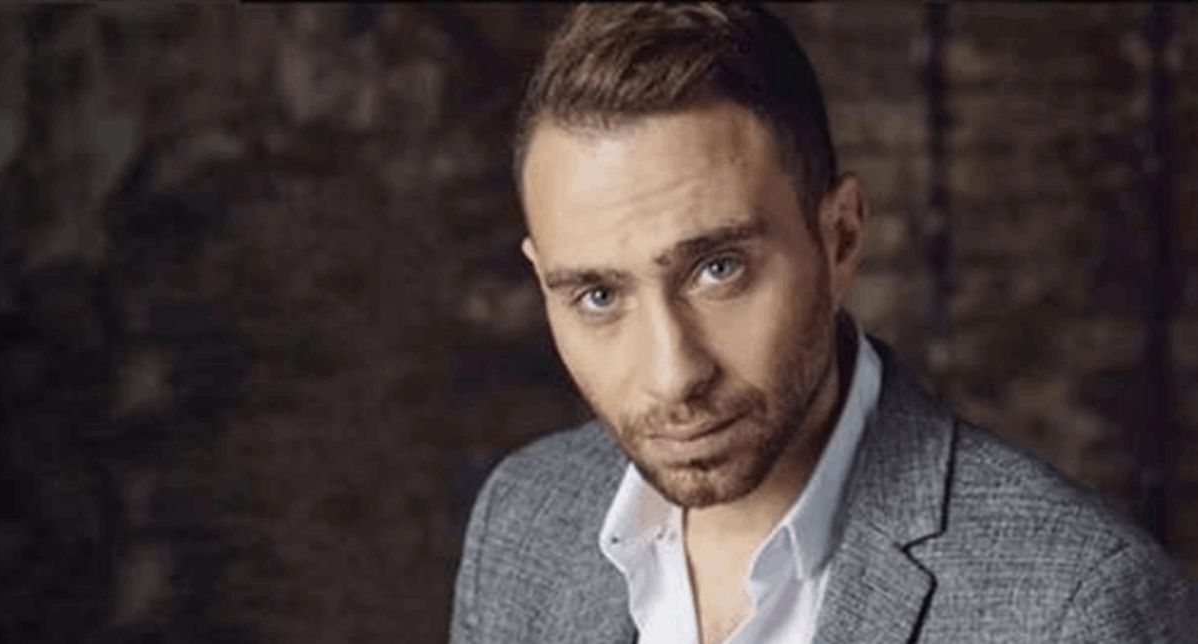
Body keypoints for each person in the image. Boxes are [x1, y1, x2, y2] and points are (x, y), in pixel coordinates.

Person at [448, 3, 1196, 643]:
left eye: (719, 269)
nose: (672, 375)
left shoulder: (1078, 606)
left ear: (840, 237)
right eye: (597, 296)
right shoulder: (521, 520)